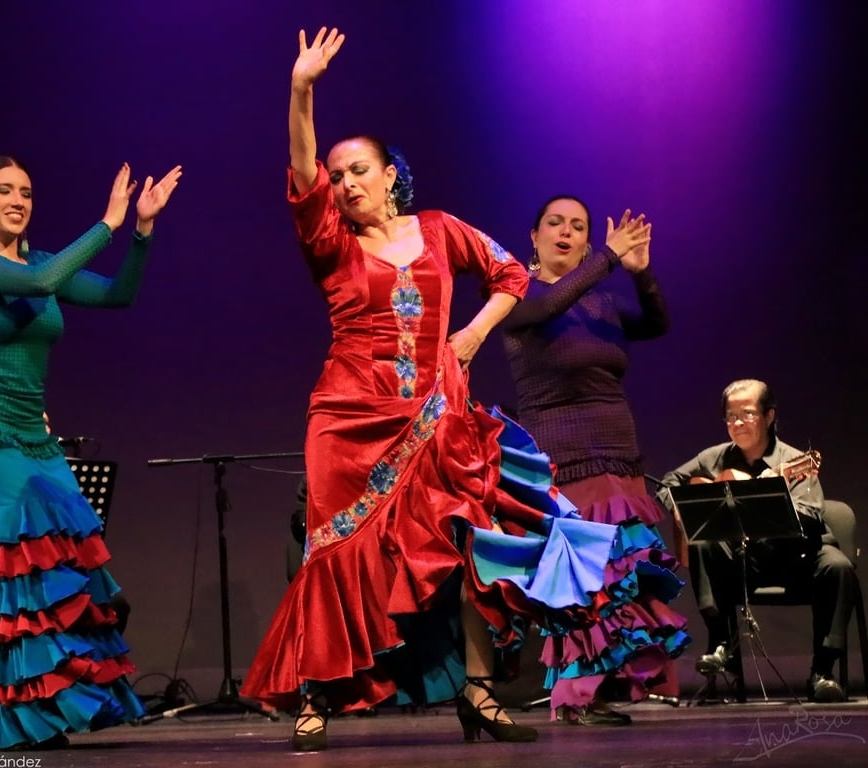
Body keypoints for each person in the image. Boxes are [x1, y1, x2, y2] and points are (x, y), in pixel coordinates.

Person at [239, 28, 668, 751]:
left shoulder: (438, 230)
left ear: (389, 175)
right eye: (338, 175)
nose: (344, 182)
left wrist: (468, 337)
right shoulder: (331, 244)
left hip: (439, 415)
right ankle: (318, 693)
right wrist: (301, 89)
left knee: (471, 540)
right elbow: (302, 166)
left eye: (357, 170)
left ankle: (478, 693)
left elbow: (511, 277)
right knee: (338, 554)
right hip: (349, 419)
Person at [0, 155, 182, 750]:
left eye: (26, 192)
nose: (17, 200)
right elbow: (40, 286)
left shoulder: (37, 260)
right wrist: (106, 225)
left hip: (31, 433)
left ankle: (40, 710)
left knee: (59, 566)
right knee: (3, 574)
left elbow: (116, 297)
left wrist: (139, 232)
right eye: (3, 191)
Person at [501, 196, 689, 725]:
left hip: (617, 451)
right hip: (563, 455)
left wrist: (640, 273)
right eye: (555, 223)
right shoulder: (515, 294)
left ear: (585, 241)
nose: (566, 232)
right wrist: (605, 258)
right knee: (584, 579)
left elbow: (656, 322)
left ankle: (600, 689)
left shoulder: (601, 303)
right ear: (533, 236)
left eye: (578, 227)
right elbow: (547, 308)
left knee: (619, 575)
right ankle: (571, 695)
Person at [657, 378, 856, 702]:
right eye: (731, 416)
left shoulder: (794, 461)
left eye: (747, 414)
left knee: (837, 566)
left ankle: (823, 672)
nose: (737, 423)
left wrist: (769, 498)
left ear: (769, 416)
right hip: (742, 563)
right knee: (704, 540)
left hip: (794, 559)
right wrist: (680, 508)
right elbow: (667, 482)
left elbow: (810, 516)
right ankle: (721, 644)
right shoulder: (715, 458)